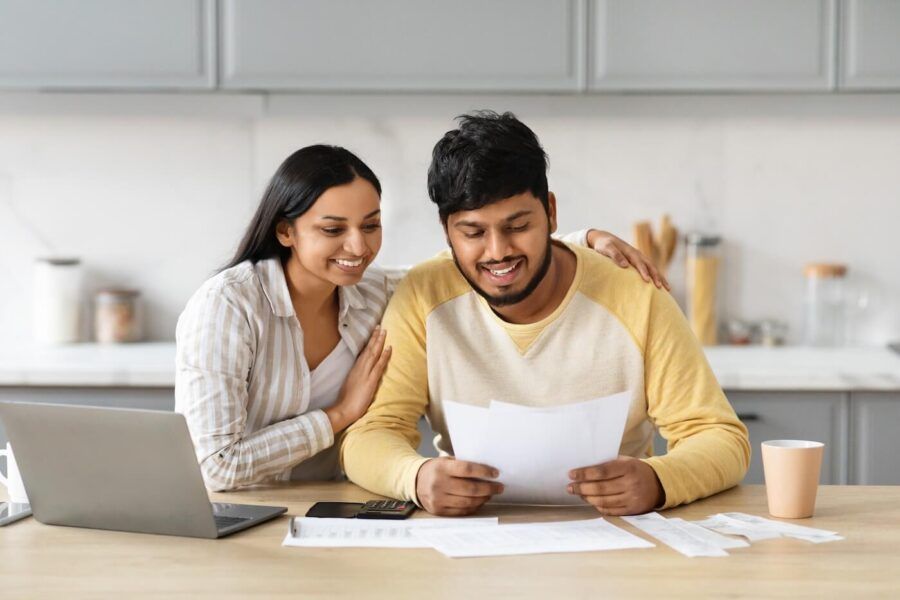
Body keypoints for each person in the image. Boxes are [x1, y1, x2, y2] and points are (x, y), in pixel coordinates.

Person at [175, 144, 664, 491]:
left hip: (337, 504)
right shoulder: (228, 307)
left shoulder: (373, 292)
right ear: (286, 231)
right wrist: (339, 416)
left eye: (371, 225)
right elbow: (215, 465)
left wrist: (582, 240)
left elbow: (474, 260)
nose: (358, 247)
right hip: (244, 513)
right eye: (333, 229)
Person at [341, 112, 750, 516]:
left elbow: (719, 436)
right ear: (447, 230)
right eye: (473, 233)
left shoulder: (635, 296)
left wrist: (660, 481)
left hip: (615, 539)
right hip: (470, 540)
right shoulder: (424, 295)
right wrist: (415, 477)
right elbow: (370, 435)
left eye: (517, 226)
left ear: (551, 213)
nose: (497, 251)